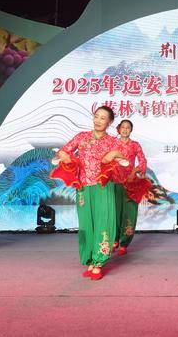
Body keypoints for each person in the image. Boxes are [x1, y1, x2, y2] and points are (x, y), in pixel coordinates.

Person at [58, 106, 124, 280]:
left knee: (103, 221)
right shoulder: (81, 137)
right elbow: (63, 151)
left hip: (103, 187)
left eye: (103, 118)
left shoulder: (112, 141)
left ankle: (99, 262)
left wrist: (114, 154)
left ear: (109, 122)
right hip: (83, 187)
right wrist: (64, 155)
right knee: (86, 224)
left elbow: (122, 159)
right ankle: (90, 259)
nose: (98, 120)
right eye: (96, 116)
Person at [114, 119, 147, 256]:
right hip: (115, 182)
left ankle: (124, 243)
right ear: (119, 129)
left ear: (131, 130)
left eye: (128, 127)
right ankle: (114, 239)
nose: (125, 130)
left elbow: (143, 160)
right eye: (123, 127)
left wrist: (136, 171)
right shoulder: (113, 143)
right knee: (114, 212)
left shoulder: (135, 145)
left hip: (130, 183)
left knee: (130, 213)